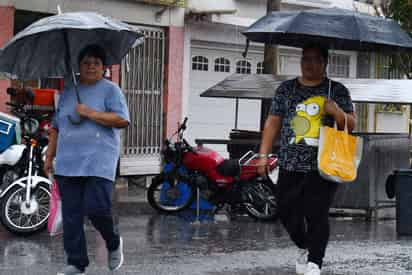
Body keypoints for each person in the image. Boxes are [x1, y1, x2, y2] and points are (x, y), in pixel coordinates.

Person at [257, 44, 356, 275]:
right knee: (285, 210)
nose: (309, 64)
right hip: (290, 163)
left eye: (315, 59)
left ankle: (315, 262)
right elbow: (273, 122)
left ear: (324, 63)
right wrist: (263, 155)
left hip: (322, 164)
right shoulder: (287, 89)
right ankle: (304, 245)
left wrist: (336, 113)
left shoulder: (336, 90)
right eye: (305, 59)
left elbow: (351, 124)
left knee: (316, 212)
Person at [44, 44, 130, 275]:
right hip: (68, 162)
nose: (91, 66)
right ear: (79, 66)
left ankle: (113, 242)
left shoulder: (111, 90)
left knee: (96, 208)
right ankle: (76, 262)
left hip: (98, 162)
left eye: (96, 63)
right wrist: (49, 156)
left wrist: (91, 113)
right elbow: (56, 127)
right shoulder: (68, 92)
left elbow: (122, 120)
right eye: (86, 62)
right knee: (71, 216)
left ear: (103, 67)